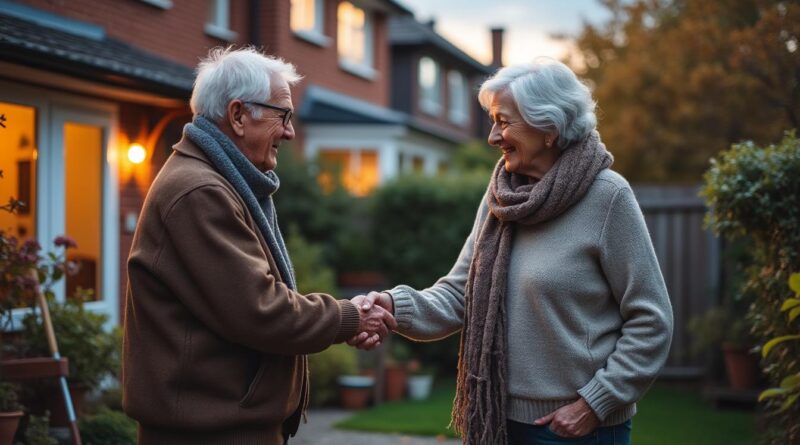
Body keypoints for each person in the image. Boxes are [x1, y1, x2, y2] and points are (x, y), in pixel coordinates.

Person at [350, 58, 674, 445]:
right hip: (499, 418)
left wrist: (594, 404)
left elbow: (651, 320)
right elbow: (460, 294)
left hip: (578, 428)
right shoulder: (501, 199)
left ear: (548, 127)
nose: (492, 136)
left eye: (503, 121)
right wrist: (391, 306)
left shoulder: (608, 197)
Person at [122, 46, 395, 445]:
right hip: (206, 435)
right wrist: (350, 316)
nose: (289, 131)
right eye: (281, 115)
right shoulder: (199, 192)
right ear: (237, 115)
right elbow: (261, 310)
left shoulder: (217, 182)